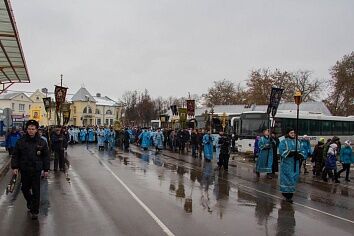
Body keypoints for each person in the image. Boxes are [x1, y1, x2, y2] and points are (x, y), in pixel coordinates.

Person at [11, 120, 49, 219]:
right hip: (25, 169)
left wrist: (46, 169)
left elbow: (46, 156)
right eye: (29, 129)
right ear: (26, 129)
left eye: (33, 129)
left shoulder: (41, 142)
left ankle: (34, 211)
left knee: (36, 190)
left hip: (36, 170)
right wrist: (15, 167)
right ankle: (30, 201)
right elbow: (15, 155)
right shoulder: (21, 141)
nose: (31, 131)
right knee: (24, 189)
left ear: (36, 130)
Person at [279, 128, 301, 203]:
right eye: (291, 133)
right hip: (286, 164)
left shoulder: (297, 142)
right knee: (287, 178)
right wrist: (290, 153)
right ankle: (286, 194)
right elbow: (282, 151)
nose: (293, 134)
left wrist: (300, 155)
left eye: (293, 133)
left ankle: (290, 194)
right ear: (288, 133)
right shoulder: (283, 142)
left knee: (294, 178)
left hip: (295, 164)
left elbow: (302, 150)